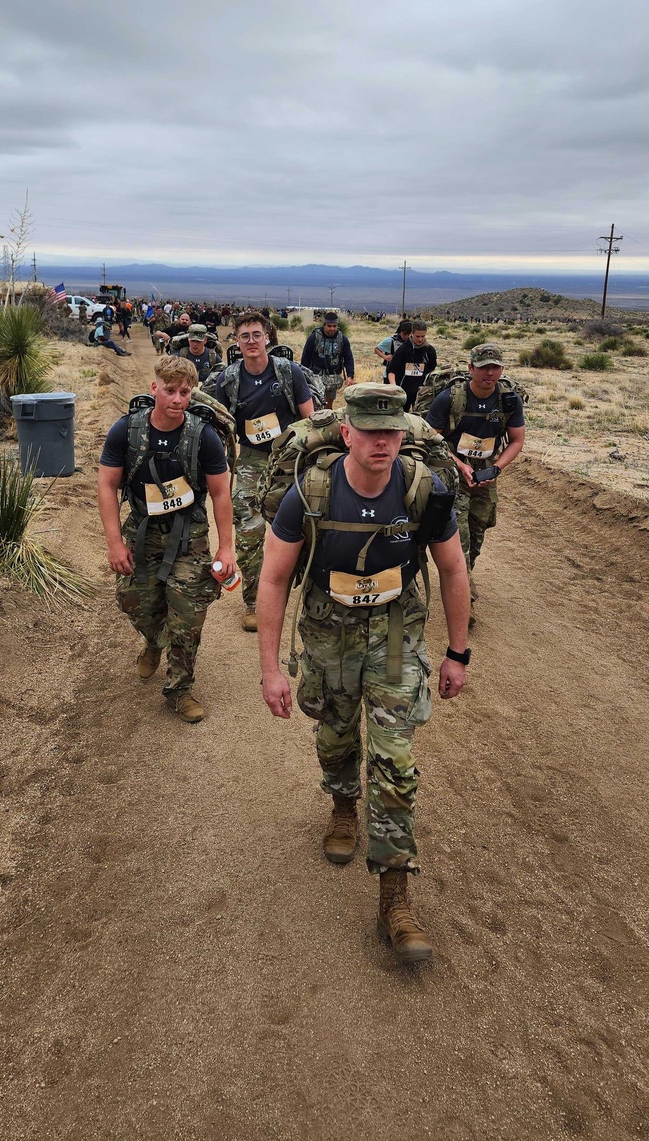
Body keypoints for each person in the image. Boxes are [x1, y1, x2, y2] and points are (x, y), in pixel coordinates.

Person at [257, 383, 470, 964]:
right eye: (369, 430)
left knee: (395, 758)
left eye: (391, 431)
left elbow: (452, 570)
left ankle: (395, 897)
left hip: (395, 635)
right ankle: (343, 803)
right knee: (335, 735)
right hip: (329, 632)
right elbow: (274, 578)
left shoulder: (425, 489)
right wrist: (270, 669)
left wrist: (458, 652)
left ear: (403, 434)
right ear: (347, 432)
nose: (381, 441)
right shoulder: (312, 492)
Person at [97, 355, 236, 724]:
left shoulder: (202, 434)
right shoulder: (126, 431)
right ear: (154, 388)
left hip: (189, 537)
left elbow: (222, 494)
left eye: (185, 392)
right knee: (134, 601)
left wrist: (226, 547)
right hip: (142, 533)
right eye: (170, 390)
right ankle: (153, 642)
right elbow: (107, 485)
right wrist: (114, 543)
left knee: (187, 616)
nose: (177, 399)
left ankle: (180, 689)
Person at [214, 311, 314, 631]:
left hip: (289, 458)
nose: (252, 341)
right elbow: (220, 427)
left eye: (257, 335)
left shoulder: (289, 372)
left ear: (268, 337)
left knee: (305, 523)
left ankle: (306, 593)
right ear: (237, 342)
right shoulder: (228, 380)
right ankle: (254, 600)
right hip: (252, 460)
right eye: (245, 336)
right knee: (248, 529)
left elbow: (309, 420)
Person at [426, 343, 526, 624]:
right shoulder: (450, 398)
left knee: (478, 531)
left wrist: (496, 468)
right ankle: (465, 598)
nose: (489, 373)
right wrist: (460, 465)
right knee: (460, 535)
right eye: (483, 367)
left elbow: (517, 440)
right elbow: (431, 438)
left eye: (495, 367)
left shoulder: (509, 400)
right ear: (471, 369)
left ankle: (463, 574)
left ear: (502, 369)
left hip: (486, 473)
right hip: (452, 471)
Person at [300, 311, 355, 408]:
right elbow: (306, 357)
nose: (332, 329)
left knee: (329, 405)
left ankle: (328, 421)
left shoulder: (342, 339)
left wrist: (350, 375)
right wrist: (303, 376)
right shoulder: (314, 338)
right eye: (329, 326)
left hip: (332, 377)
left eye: (334, 326)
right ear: (324, 325)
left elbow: (348, 357)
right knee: (316, 404)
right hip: (316, 376)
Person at [388, 320, 436, 411]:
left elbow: (432, 370)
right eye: (417, 336)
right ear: (412, 334)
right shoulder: (403, 350)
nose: (420, 339)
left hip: (421, 394)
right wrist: (394, 388)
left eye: (423, 336)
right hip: (402, 393)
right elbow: (391, 371)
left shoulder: (430, 351)